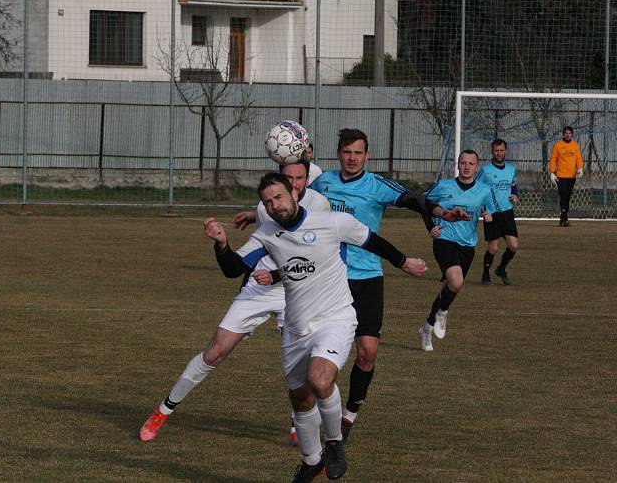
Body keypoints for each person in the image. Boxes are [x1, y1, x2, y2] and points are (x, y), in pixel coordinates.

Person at [205, 172, 428, 482]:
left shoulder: (332, 222)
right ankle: (311, 460)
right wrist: (221, 244)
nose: (274, 205)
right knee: (300, 398)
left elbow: (372, 240)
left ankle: (334, 442)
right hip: (296, 328)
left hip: (335, 318)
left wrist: (404, 262)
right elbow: (233, 269)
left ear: (295, 195)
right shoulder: (267, 234)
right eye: (267, 202)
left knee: (319, 380)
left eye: (278, 197)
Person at [139, 160, 330, 443]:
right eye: (287, 179)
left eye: (299, 178)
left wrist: (278, 274)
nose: (293, 184)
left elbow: (317, 258)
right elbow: (235, 268)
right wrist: (222, 244)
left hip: (298, 290)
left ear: (306, 179)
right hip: (261, 286)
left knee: (301, 360)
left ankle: (298, 423)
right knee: (215, 351)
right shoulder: (268, 212)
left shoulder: (320, 207)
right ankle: (162, 411)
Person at [308, 128, 469, 440]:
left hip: (366, 279)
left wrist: (441, 212)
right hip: (326, 279)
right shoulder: (322, 183)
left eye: (358, 152)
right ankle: (306, 410)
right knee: (317, 351)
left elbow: (413, 199)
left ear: (367, 156)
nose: (352, 158)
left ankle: (349, 414)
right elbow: (294, 208)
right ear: (338, 153)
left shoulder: (375, 184)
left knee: (367, 353)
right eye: (347, 152)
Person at [418, 150, 500, 351]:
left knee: (448, 287)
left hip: (468, 245)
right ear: (458, 164)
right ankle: (443, 312)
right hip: (444, 240)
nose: (466, 166)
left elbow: (495, 211)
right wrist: (431, 226)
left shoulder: (484, 190)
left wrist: (490, 217)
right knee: (456, 281)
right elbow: (423, 204)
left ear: (477, 167)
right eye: (463, 162)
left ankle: (427, 328)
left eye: (471, 163)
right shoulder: (444, 185)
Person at [477, 138, 519, 285]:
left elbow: (513, 186)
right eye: (496, 150)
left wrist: (515, 195)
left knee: (513, 245)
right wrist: (483, 210)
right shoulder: (485, 171)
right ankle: (485, 273)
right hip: (492, 213)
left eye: (501, 150)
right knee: (493, 247)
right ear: (492, 152)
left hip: (507, 212)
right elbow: (477, 190)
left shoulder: (512, 169)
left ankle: (501, 268)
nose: (499, 153)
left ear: (505, 151)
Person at [549, 126, 584, 227]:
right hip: (561, 176)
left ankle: (563, 218)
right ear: (563, 134)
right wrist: (552, 172)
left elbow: (579, 158)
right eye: (566, 133)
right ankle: (564, 216)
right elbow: (553, 159)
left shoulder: (575, 145)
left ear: (572, 134)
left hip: (572, 176)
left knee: (568, 195)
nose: (568, 135)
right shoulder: (558, 145)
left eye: (569, 133)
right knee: (563, 194)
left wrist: (580, 168)